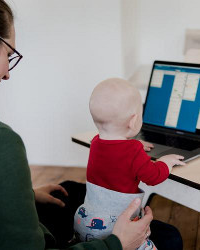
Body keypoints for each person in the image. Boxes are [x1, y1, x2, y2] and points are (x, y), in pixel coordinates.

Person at [0, 1, 182, 249]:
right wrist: (117, 243)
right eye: (8, 55)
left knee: (68, 190)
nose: (8, 72)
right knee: (169, 238)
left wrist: (21, 197)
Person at [74, 78, 185, 248]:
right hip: (117, 226)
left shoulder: (96, 142)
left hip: (85, 220)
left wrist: (135, 145)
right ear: (133, 121)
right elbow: (153, 176)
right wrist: (165, 162)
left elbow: (114, 153)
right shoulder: (133, 150)